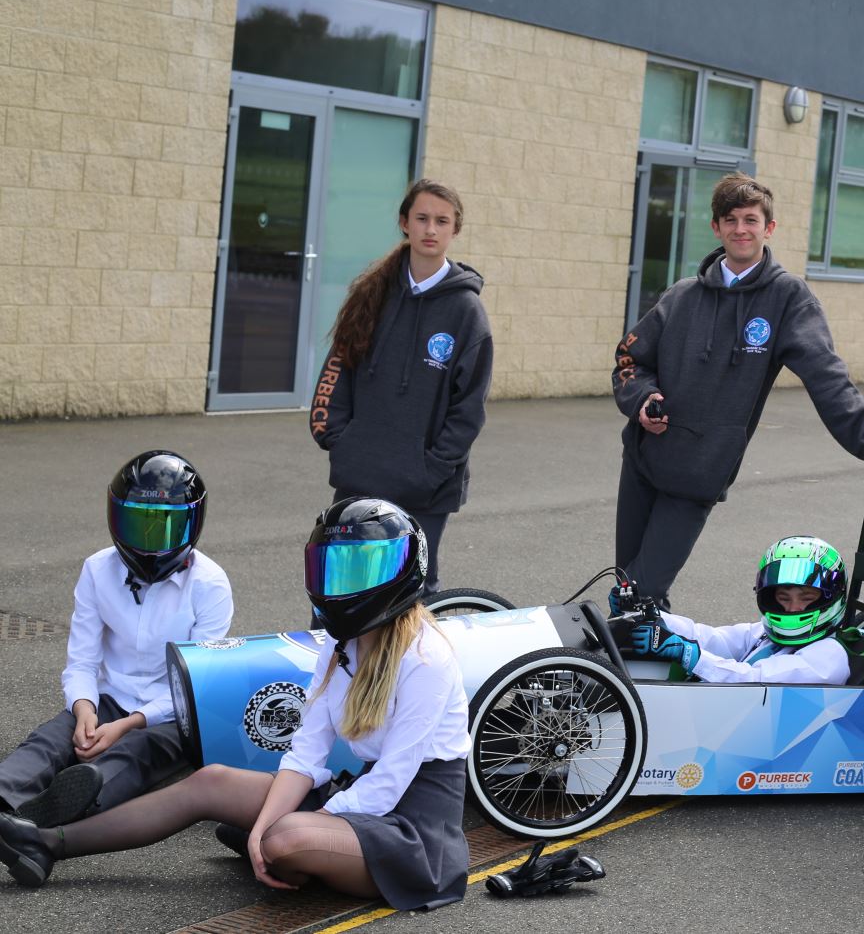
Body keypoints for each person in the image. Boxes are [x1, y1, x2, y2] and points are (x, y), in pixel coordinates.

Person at [0, 498, 471, 912]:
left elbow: (389, 784)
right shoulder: (339, 642)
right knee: (211, 783)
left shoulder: (426, 657)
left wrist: (279, 829)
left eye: (359, 571)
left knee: (285, 839)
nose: (340, 585)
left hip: (412, 830)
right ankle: (45, 843)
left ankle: (289, 850)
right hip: (356, 797)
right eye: (333, 568)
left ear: (404, 572)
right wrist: (261, 825)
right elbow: (307, 753)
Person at [612, 172, 864, 609]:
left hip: (699, 471)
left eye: (751, 220)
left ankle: (638, 645)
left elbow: (826, 374)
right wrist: (643, 401)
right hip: (642, 459)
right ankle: (639, 650)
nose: (741, 229)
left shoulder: (787, 298)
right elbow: (630, 359)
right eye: (730, 220)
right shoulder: (682, 295)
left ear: (769, 228)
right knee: (627, 591)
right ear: (716, 227)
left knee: (642, 589)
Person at [0, 451, 232, 829]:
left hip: (175, 711)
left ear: (193, 522)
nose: (150, 542)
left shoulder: (210, 583)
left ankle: (53, 813)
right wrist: (84, 710)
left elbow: (197, 684)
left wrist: (130, 724)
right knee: (48, 740)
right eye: (137, 524)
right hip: (109, 700)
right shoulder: (97, 569)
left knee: (136, 751)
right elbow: (82, 661)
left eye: (166, 526)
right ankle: (4, 795)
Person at [309, 178, 494, 594]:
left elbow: (469, 410)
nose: (430, 229)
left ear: (455, 230)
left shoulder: (467, 311)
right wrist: (342, 441)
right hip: (360, 476)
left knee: (407, 596)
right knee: (339, 588)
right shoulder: (371, 294)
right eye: (422, 218)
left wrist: (431, 468)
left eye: (441, 221)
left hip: (424, 489)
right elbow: (337, 371)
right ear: (404, 223)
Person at [623, 536, 853, 685]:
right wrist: (651, 614)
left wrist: (688, 654)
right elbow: (714, 639)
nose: (793, 609)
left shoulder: (829, 657)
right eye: (783, 598)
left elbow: (753, 681)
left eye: (806, 598)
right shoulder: (765, 635)